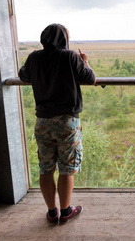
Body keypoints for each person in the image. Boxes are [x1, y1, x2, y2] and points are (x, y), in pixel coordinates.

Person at [19, 23, 96, 224]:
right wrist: (85, 62)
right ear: (64, 39)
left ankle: (52, 212)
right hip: (66, 122)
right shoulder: (70, 57)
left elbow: (23, 75)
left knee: (45, 168)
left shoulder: (34, 57)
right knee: (66, 168)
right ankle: (66, 211)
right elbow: (90, 78)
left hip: (42, 121)